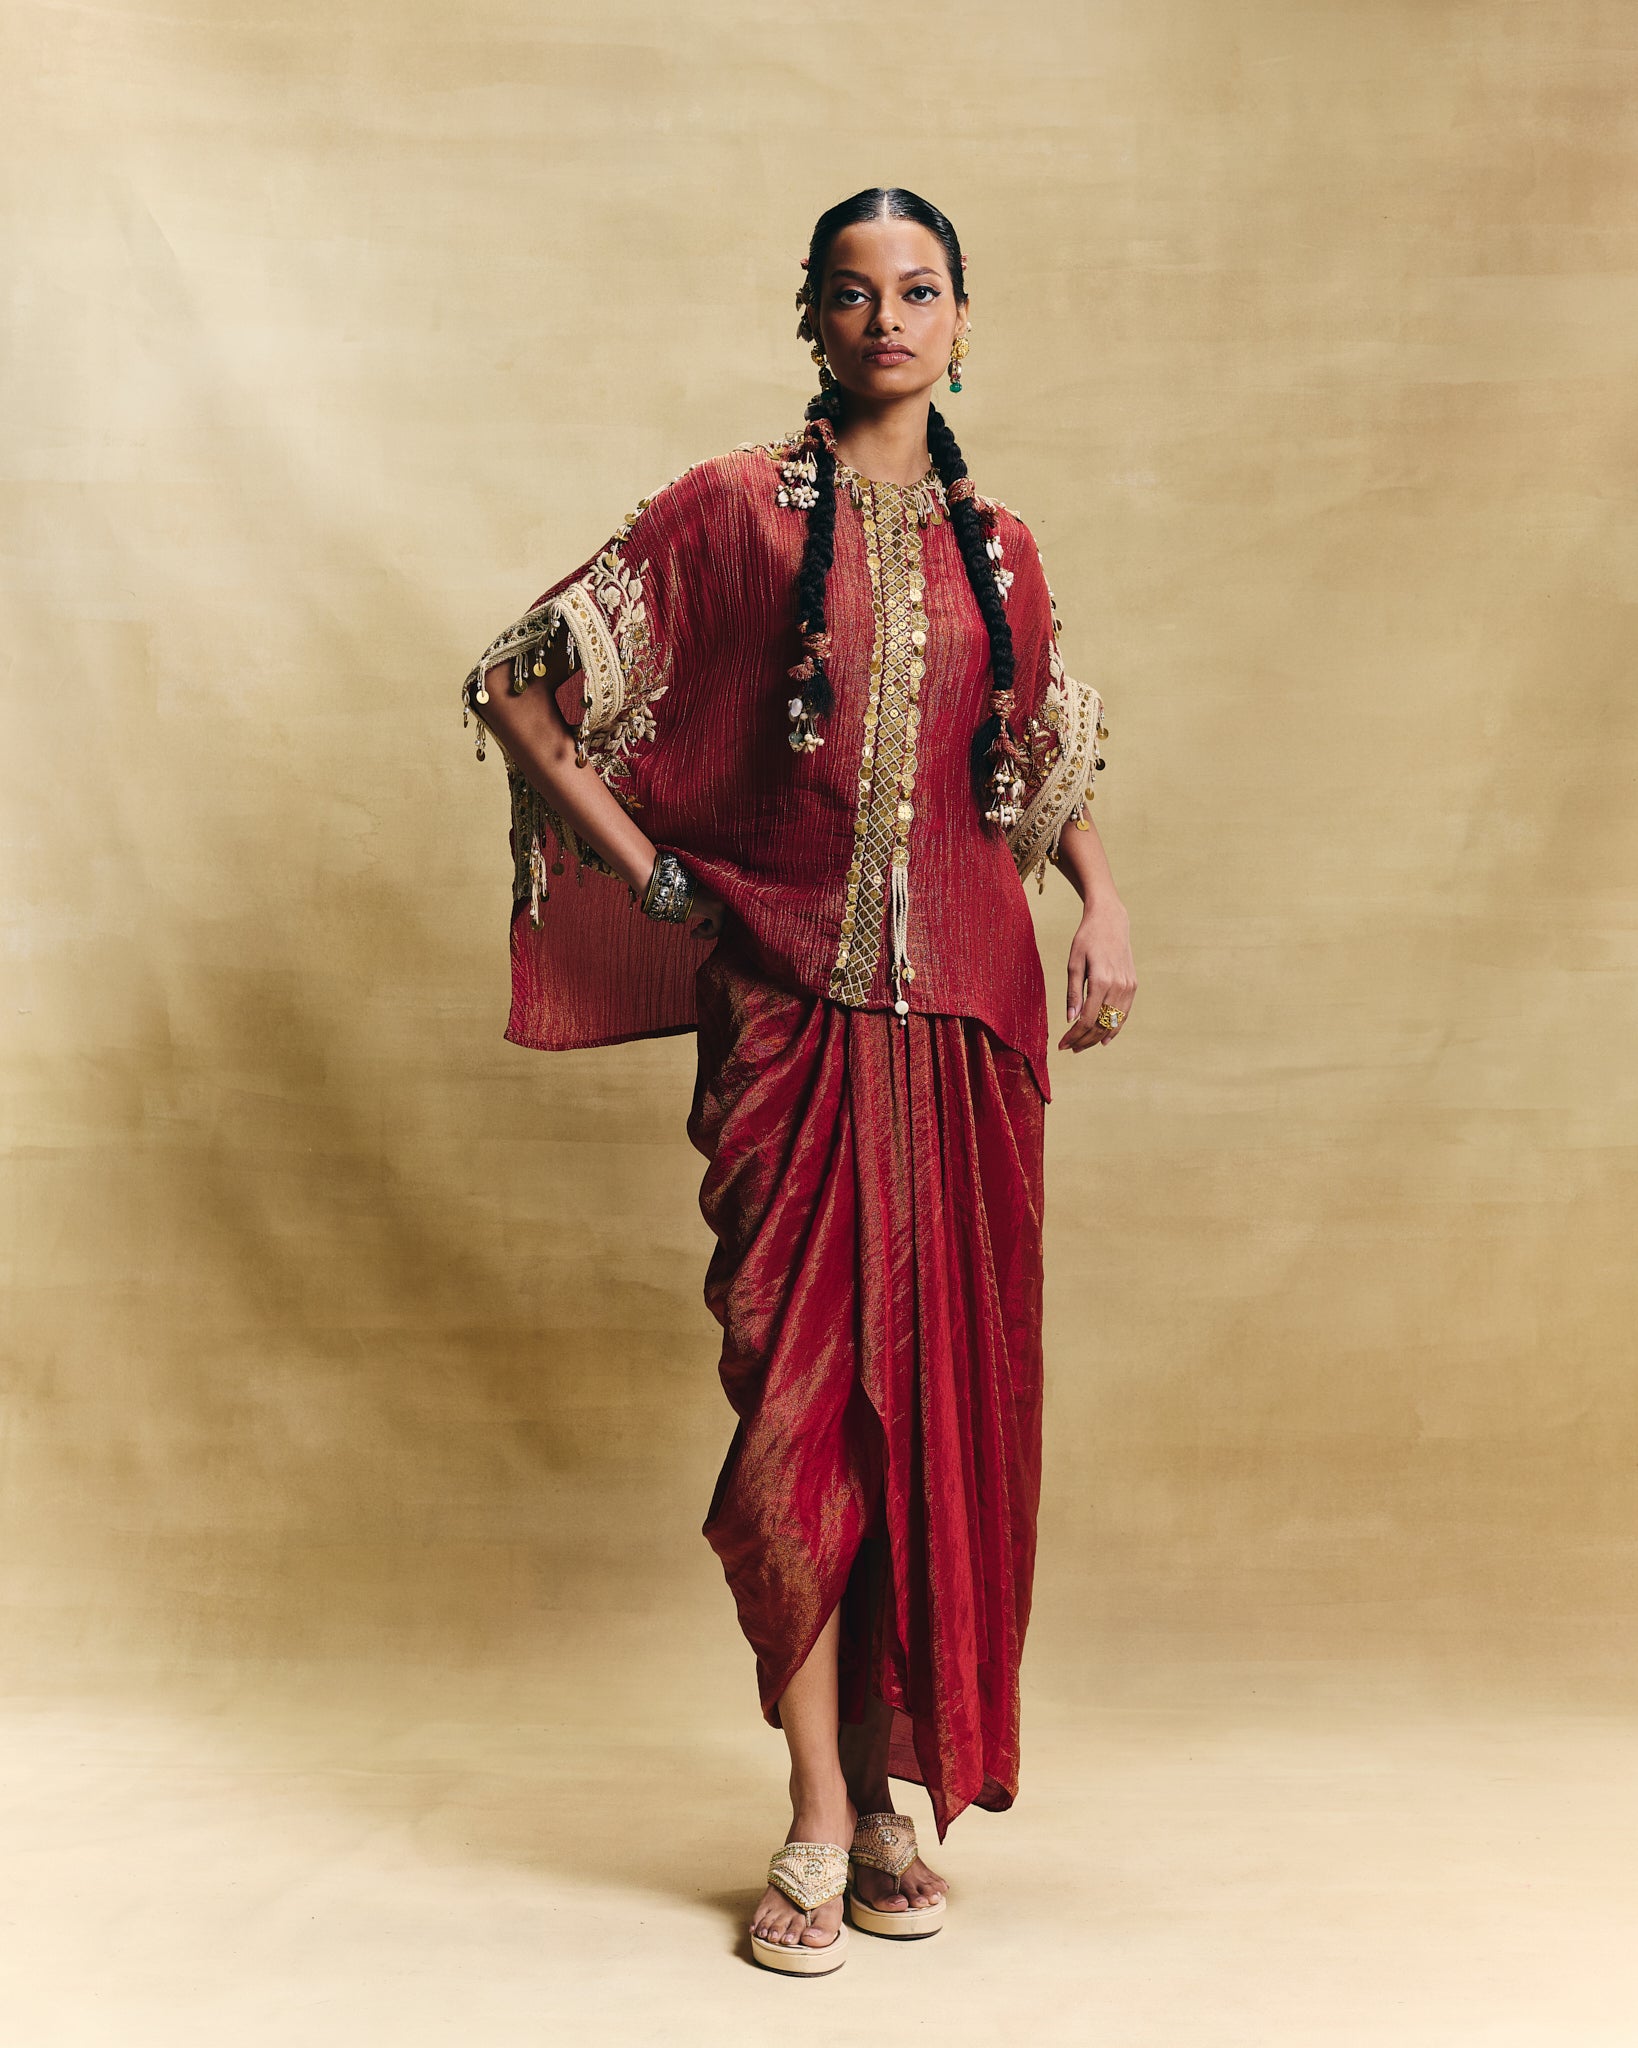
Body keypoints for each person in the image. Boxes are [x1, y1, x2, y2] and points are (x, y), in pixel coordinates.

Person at [458, 186, 1136, 1976]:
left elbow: (1034, 766)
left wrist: (1102, 904)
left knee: (943, 1413)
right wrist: (654, 877)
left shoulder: (1001, 550)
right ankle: (820, 1810)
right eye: (852, 292)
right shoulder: (732, 511)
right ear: (810, 320)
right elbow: (518, 683)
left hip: (968, 1027)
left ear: (962, 321)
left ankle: (894, 1798)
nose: (886, 318)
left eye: (919, 290)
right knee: (800, 1420)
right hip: (792, 1018)